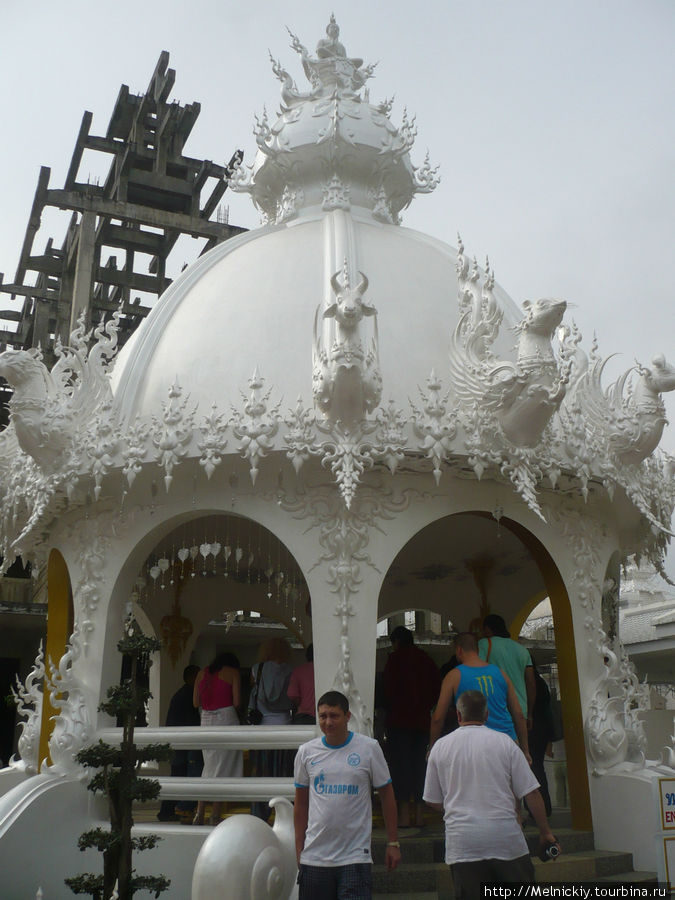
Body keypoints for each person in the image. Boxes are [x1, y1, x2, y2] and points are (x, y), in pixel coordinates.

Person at [424, 690, 560, 899]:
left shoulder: (440, 748)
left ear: (459, 716)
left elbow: (432, 800)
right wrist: (545, 832)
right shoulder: (505, 743)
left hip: (463, 845)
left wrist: (457, 805)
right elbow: (531, 792)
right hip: (506, 841)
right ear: (486, 715)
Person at [294, 690, 401, 899]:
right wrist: (299, 848)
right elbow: (301, 804)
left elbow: (387, 795)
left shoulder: (369, 748)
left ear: (348, 716)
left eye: (334, 715)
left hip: (355, 857)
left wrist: (393, 842)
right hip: (315, 857)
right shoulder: (306, 752)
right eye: (323, 716)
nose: (328, 722)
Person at [429, 632, 529, 760]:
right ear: (477, 649)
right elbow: (518, 714)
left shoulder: (453, 676)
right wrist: (525, 751)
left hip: (474, 747)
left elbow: (438, 718)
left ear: (459, 650)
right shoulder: (500, 673)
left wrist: (432, 748)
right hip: (507, 742)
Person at [382, 625, 440, 827]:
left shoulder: (394, 660)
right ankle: (419, 815)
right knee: (419, 766)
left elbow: (387, 691)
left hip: (399, 722)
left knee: (400, 767)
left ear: (396, 642)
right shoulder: (426, 660)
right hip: (421, 722)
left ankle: (404, 817)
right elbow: (435, 689)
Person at [192, 651, 242, 826]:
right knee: (223, 766)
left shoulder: (201, 673)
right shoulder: (233, 673)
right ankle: (214, 814)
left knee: (209, 765)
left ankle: (199, 814)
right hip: (226, 717)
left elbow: (195, 703)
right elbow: (236, 702)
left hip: (205, 718)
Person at [249, 637, 295, 820]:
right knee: (283, 770)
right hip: (284, 723)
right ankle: (283, 812)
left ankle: (260, 812)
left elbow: (254, 692)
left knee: (261, 770)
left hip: (262, 726)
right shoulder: (290, 670)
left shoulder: (256, 669)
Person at [157, 664, 203, 821]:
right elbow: (192, 719)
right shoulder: (189, 694)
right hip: (182, 741)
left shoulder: (181, 694)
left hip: (176, 740)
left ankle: (169, 810)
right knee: (181, 775)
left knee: (177, 775)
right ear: (191, 678)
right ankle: (171, 810)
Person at [478, 614, 535, 727]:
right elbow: (531, 684)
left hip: (496, 712)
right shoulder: (522, 650)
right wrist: (529, 714)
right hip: (520, 711)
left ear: (487, 628)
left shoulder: (484, 644)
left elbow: (477, 673)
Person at [527, 657, 555, 817]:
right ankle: (543, 808)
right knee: (537, 768)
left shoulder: (531, 685)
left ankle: (537, 809)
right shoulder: (541, 683)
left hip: (533, 730)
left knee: (532, 769)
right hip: (542, 731)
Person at [288, 643, 316, 724]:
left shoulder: (298, 671)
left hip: (305, 716)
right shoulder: (327, 670)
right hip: (326, 715)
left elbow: (292, 695)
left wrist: (302, 704)